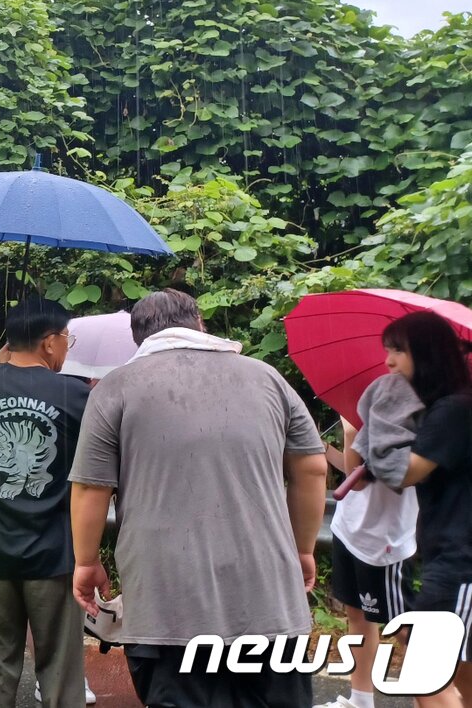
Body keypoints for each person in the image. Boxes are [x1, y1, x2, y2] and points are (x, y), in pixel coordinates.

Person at [69, 289, 328, 707]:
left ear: (139, 338)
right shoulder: (266, 378)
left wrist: (86, 562)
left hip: (166, 607)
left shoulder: (116, 388)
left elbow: (90, 487)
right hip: (269, 601)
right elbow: (313, 468)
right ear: (200, 324)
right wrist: (302, 551)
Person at [0, 297, 89, 708]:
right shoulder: (74, 393)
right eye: (67, 338)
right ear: (50, 342)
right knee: (59, 672)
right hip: (54, 554)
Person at [369, 312, 472, 706]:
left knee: (424, 675)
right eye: (386, 351)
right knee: (459, 673)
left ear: (426, 354)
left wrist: (384, 415)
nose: (388, 361)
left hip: (459, 563)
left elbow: (407, 472)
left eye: (398, 350)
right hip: (448, 557)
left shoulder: (453, 410)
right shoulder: (449, 407)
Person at [316, 413, 418, 708]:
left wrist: (351, 435)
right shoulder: (361, 405)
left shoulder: (411, 413)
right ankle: (360, 700)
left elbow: (364, 480)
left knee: (404, 626)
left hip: (383, 540)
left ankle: (437, 695)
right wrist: (323, 448)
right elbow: (354, 475)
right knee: (357, 615)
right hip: (349, 528)